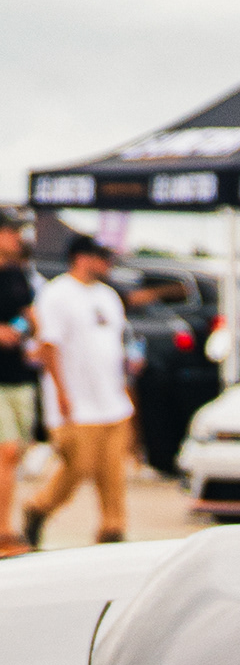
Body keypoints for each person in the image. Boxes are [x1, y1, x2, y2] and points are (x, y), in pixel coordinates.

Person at [24, 235, 136, 550]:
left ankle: (113, 529)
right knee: (78, 466)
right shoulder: (57, 294)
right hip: (76, 402)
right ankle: (39, 507)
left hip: (112, 400)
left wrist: (126, 388)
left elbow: (116, 346)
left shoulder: (108, 296)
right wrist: (61, 392)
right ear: (82, 258)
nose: (107, 264)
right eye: (101, 258)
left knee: (113, 472)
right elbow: (49, 345)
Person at [0, 218, 40, 554]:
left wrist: (26, 329)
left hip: (18, 374)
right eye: (12, 231)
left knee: (16, 454)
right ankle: (4, 530)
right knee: (7, 450)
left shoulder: (17, 274)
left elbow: (29, 315)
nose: (18, 238)